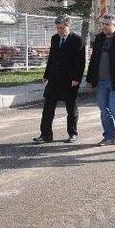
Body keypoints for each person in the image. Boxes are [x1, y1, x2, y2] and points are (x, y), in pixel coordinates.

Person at [33, 15, 85, 144]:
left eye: (62, 28)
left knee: (71, 108)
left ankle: (72, 133)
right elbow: (52, 58)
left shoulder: (77, 40)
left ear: (69, 26)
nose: (60, 31)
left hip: (70, 80)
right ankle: (45, 135)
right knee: (48, 108)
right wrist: (46, 75)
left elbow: (80, 62)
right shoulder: (55, 39)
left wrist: (76, 78)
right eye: (58, 28)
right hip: (54, 79)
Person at [86, 14, 115, 145]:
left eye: (107, 24)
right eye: (103, 24)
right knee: (104, 109)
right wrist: (90, 80)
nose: (104, 27)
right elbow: (93, 60)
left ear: (114, 25)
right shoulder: (99, 39)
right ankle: (109, 137)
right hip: (101, 81)